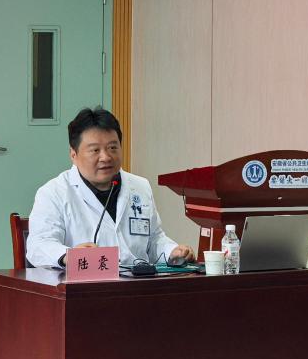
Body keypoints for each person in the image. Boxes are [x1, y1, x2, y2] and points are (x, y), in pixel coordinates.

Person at [26, 107, 195, 269]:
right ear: (73, 154)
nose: (106, 157)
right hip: (84, 285)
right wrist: (68, 256)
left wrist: (172, 251)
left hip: (137, 283)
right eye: (95, 150)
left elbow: (154, 240)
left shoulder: (140, 186)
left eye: (112, 148)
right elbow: (38, 245)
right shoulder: (54, 193)